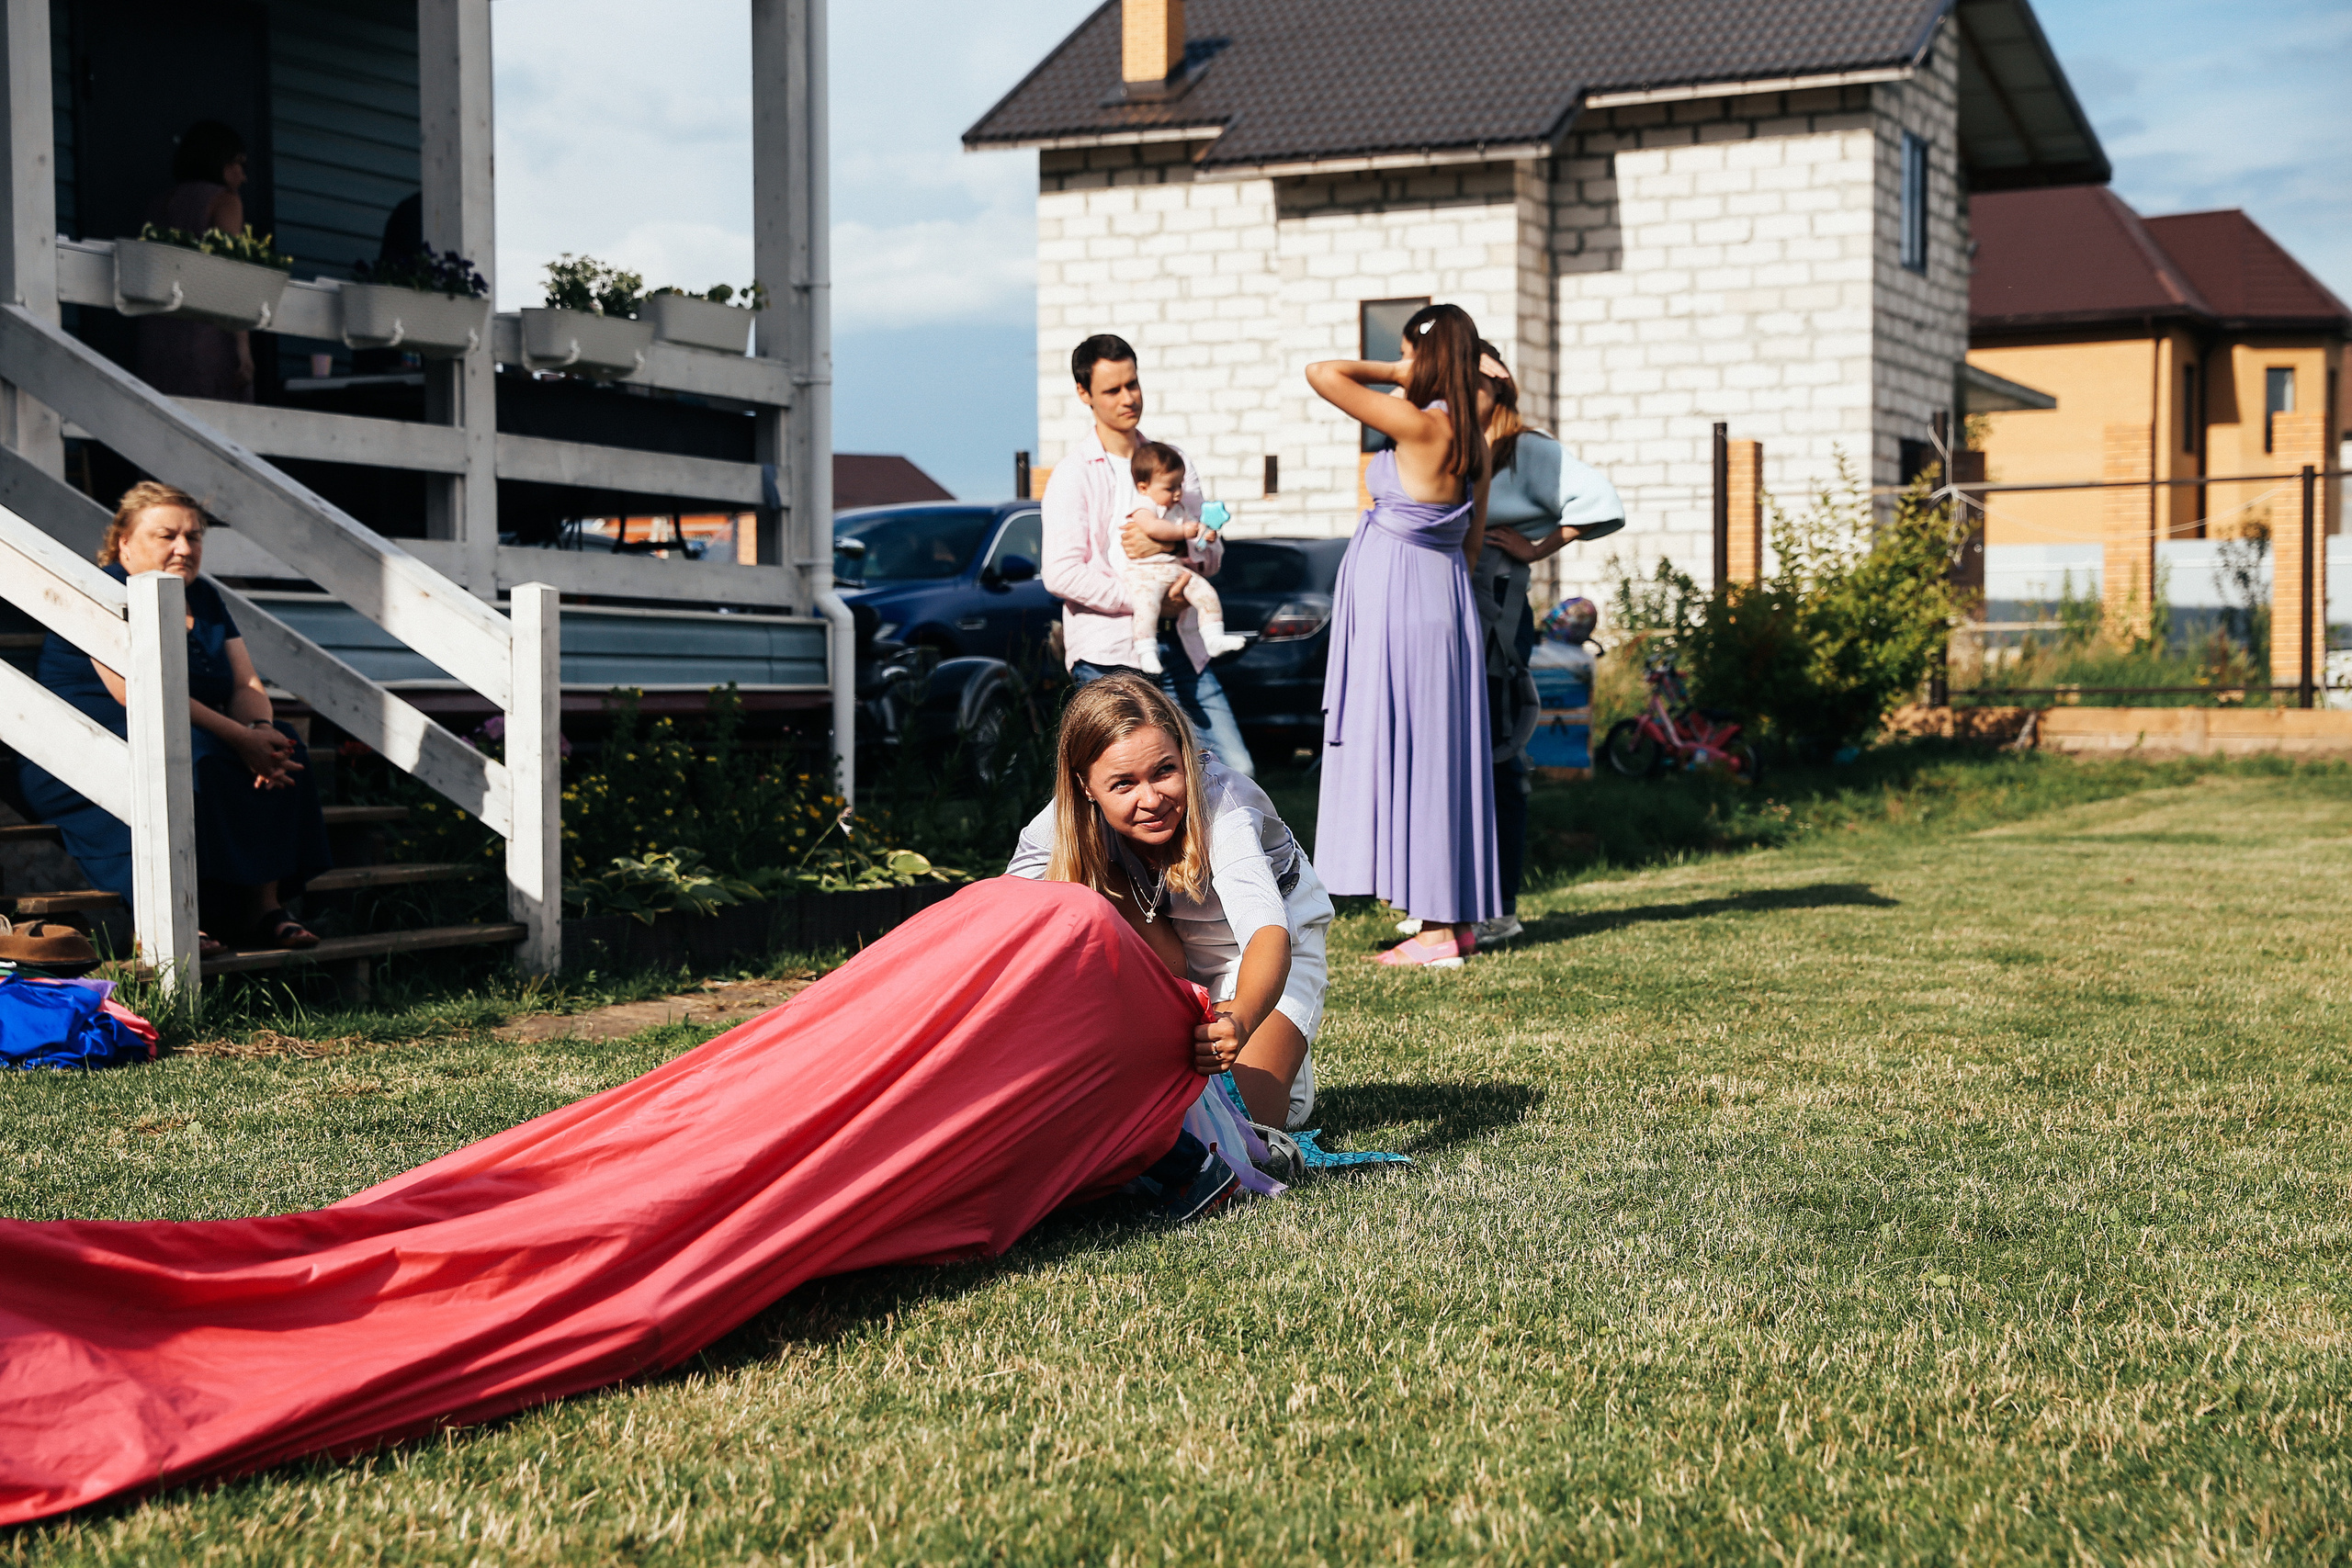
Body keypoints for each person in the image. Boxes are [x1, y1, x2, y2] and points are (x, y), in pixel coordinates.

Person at [0, 876, 1214, 1524]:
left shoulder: (1109, 964)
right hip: (986, 999)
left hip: (1024, 1011)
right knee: (607, 1210)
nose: (1156, 795)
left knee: (596, 1202)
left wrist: (1207, 1030)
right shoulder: (1066, 926)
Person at [17, 482, 332, 956]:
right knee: (197, 756)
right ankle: (181, 917)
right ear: (124, 541)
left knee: (286, 745)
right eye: (167, 535)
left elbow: (245, 685)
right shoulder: (101, 590)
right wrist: (239, 740)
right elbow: (137, 693)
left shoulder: (203, 597)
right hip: (88, 748)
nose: (184, 548)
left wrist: (261, 732)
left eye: (195, 536)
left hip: (183, 729)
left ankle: (264, 908)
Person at [1007, 672, 1331, 1131]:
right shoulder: (1066, 819)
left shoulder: (1224, 805)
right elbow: (1007, 908)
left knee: (1239, 1132)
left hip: (1263, 949)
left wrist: (1239, 1016)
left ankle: (1285, 1067)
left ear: (1186, 756)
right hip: (1166, 939)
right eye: (1123, 784)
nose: (1151, 798)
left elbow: (1267, 932)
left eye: (1164, 770)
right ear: (1084, 786)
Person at [1306, 302, 1500, 967]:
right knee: (1437, 755)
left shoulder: (1421, 423)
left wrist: (1395, 368)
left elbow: (1322, 373)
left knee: (1418, 753)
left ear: (1429, 356)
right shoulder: (1473, 439)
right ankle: (1453, 919)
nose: (1402, 366)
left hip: (1404, 605)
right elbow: (1469, 548)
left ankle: (1439, 934)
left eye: (1411, 353)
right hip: (1440, 598)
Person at [1457, 344, 1626, 946]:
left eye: (1463, 378)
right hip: (1449, 618)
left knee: (1497, 757)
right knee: (1450, 761)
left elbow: (1602, 503)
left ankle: (1499, 905)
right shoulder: (1454, 445)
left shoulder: (1526, 447)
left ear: (1496, 382)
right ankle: (1450, 903)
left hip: (1498, 620)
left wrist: (1539, 546)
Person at [1041, 333, 1256, 776]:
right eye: (1112, 390)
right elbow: (1061, 574)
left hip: (1180, 644)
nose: (1128, 398)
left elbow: (1211, 555)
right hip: (1108, 656)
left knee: (1234, 773)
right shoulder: (1073, 475)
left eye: (1133, 384)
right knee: (1121, 792)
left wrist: (1175, 544)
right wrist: (1146, 598)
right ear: (1084, 394)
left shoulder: (1172, 462)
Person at [135, 120, 256, 402]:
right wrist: (243, 347)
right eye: (236, 163)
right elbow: (231, 271)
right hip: (206, 337)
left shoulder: (159, 204)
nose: (242, 176)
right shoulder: (225, 201)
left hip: (157, 338)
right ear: (217, 160)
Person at [1122, 443, 1247, 675]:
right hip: (1145, 575)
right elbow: (1153, 528)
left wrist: (1204, 534)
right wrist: (1184, 532)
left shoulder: (1179, 509)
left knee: (1206, 593)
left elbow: (1194, 530)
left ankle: (1213, 636)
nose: (1178, 493)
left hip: (1174, 570)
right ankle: (1146, 650)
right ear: (1144, 487)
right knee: (1146, 609)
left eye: (1180, 485)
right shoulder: (1143, 505)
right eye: (1170, 488)